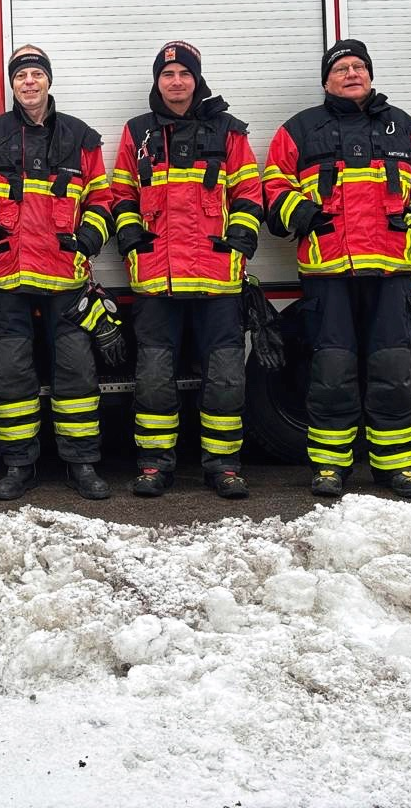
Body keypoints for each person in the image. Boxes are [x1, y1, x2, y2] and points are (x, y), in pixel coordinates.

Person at [263, 39, 411, 501]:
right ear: (326, 81)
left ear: (369, 75)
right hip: (328, 275)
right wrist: (302, 214)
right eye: (341, 68)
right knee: (331, 373)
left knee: (393, 372)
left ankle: (397, 468)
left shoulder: (407, 129)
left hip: (391, 273)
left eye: (358, 67)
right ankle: (330, 466)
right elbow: (273, 185)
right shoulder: (299, 130)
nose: (352, 74)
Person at [0, 44, 113, 501]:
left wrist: (87, 240)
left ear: (48, 80)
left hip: (65, 279)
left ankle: (82, 464)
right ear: (12, 84)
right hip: (7, 279)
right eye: (20, 75)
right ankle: (19, 465)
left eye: (36, 74)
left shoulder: (81, 137)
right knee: (11, 376)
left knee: (77, 374)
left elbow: (102, 200)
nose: (29, 82)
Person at [111, 41, 263, 499]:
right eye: (167, 74)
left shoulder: (228, 131)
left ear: (197, 80)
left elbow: (248, 193)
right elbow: (121, 193)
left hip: (217, 278)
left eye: (184, 74)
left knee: (226, 377)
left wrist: (239, 243)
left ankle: (224, 467)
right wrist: (131, 238)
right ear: (157, 82)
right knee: (154, 378)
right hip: (156, 277)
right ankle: (154, 465)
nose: (176, 82)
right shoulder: (137, 132)